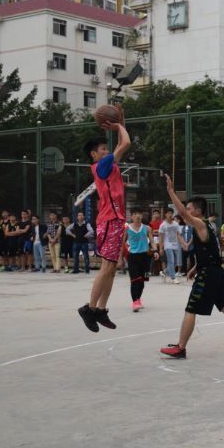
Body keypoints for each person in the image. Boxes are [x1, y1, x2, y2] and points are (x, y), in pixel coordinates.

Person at [159, 175, 224, 359]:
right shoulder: (206, 227)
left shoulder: (200, 224)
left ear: (198, 211)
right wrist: (196, 266)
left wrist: (171, 192)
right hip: (215, 271)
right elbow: (210, 250)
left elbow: (182, 214)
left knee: (191, 308)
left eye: (189, 209)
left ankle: (181, 348)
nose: (186, 211)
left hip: (209, 275)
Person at [76, 114, 130, 335]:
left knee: (112, 269)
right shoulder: (101, 165)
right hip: (109, 221)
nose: (107, 151)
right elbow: (125, 143)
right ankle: (89, 308)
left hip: (115, 220)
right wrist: (118, 126)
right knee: (107, 267)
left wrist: (121, 122)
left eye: (107, 149)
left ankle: (101, 310)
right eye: (103, 149)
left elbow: (120, 144)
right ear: (94, 154)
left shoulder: (107, 164)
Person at [124, 208, 157, 312]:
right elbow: (122, 243)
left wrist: (155, 251)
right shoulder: (127, 228)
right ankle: (135, 302)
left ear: (142, 216)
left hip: (145, 257)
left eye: (139, 214)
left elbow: (152, 241)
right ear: (131, 216)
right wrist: (120, 259)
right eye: (135, 214)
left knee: (142, 280)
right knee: (134, 280)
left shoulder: (147, 228)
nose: (137, 216)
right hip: (132, 256)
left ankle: (138, 299)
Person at [159, 209, 183, 285]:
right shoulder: (163, 225)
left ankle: (164, 272)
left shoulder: (176, 224)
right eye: (168, 213)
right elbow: (161, 237)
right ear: (165, 214)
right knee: (171, 260)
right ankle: (173, 278)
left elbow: (178, 234)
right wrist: (160, 248)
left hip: (175, 245)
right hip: (167, 245)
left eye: (171, 213)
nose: (170, 215)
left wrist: (182, 243)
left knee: (175, 262)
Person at [149, 209, 163, 277]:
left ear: (159, 215)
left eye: (157, 213)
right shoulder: (151, 223)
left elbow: (162, 232)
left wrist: (155, 231)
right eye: (154, 214)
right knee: (154, 255)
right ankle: (152, 271)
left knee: (160, 256)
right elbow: (150, 233)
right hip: (153, 241)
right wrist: (156, 232)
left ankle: (158, 271)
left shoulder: (162, 223)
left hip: (161, 241)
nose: (156, 215)